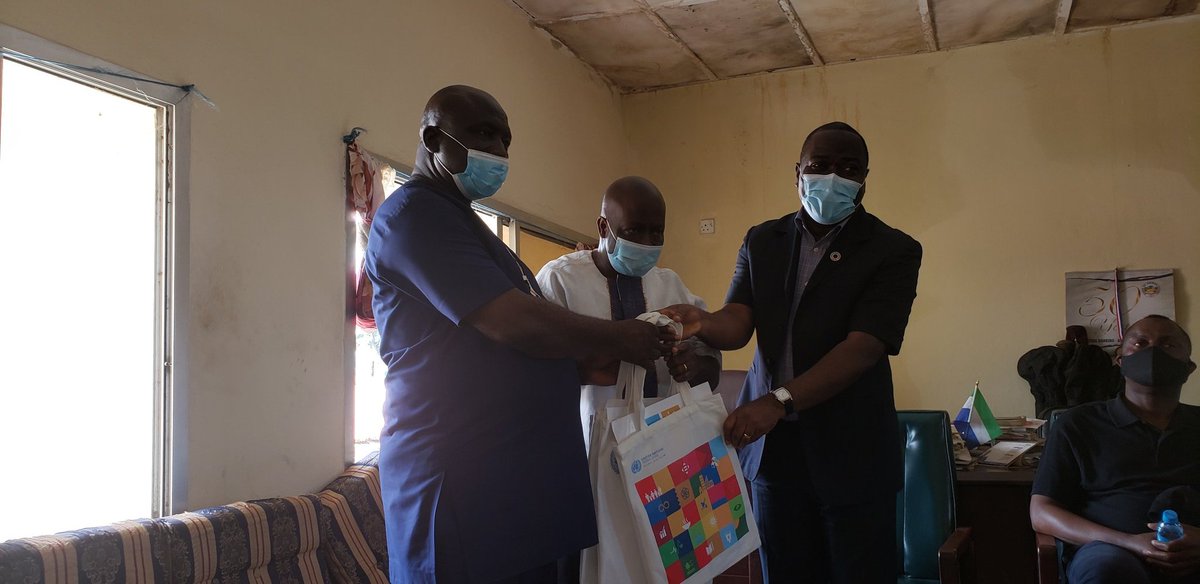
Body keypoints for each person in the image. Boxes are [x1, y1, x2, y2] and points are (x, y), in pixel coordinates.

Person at [365, 85, 676, 584]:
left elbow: (502, 350)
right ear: (434, 139)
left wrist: (601, 366)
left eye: (505, 140)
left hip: (513, 486)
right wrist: (622, 338)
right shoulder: (414, 216)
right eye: (483, 134)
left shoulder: (470, 227)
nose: (498, 150)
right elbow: (513, 322)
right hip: (461, 481)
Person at [660, 121, 922, 583]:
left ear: (864, 180)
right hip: (774, 455)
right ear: (797, 172)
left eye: (849, 169)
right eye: (820, 165)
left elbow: (863, 348)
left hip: (852, 453)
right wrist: (702, 322)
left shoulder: (893, 249)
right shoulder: (763, 241)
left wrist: (777, 401)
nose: (833, 177)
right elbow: (738, 320)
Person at [536, 176, 722, 452]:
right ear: (603, 227)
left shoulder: (671, 285)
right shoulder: (560, 280)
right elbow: (537, 370)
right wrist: (606, 359)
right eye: (634, 231)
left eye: (656, 232)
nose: (647, 243)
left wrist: (695, 366)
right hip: (585, 448)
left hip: (666, 447)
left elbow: (712, 367)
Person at [1030, 315, 1200, 583]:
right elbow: (1042, 512)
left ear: (1188, 367)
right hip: (1111, 550)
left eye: (1168, 345)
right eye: (1140, 343)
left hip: (1194, 551)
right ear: (1120, 361)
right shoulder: (1078, 424)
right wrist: (1129, 542)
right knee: (1106, 570)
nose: (1153, 351)